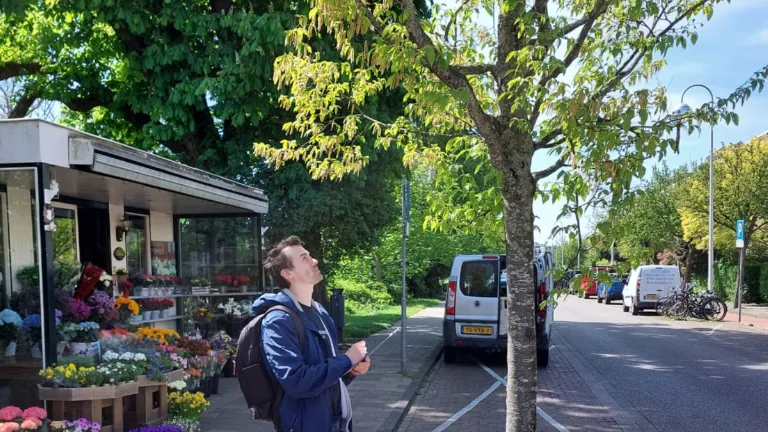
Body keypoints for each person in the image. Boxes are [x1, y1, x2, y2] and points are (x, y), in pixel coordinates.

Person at [252, 236, 370, 432]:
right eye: (304, 258)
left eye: (310, 255)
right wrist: (347, 359)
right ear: (288, 273)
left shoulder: (320, 312)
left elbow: (326, 376)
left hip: (335, 421)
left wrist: (350, 369)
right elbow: (297, 382)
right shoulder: (278, 321)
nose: (314, 260)